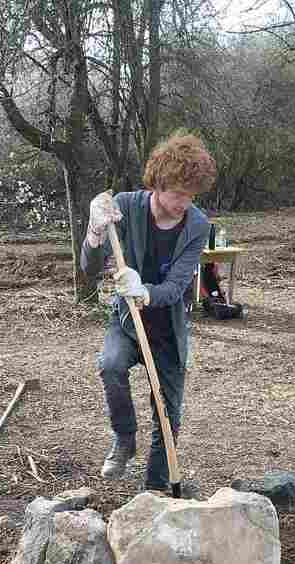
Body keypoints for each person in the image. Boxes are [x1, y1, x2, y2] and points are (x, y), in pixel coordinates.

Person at [81, 133, 217, 493]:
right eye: (177, 193)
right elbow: (88, 267)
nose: (184, 203)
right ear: (158, 183)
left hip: (167, 328)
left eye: (191, 196)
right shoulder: (124, 207)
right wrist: (95, 230)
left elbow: (175, 288)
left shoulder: (197, 226)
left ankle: (156, 488)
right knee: (110, 364)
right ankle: (125, 439)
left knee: (168, 413)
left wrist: (144, 290)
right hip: (127, 320)